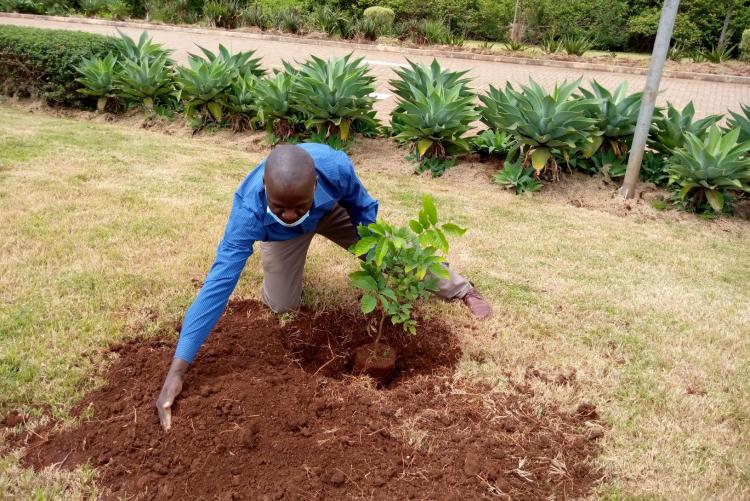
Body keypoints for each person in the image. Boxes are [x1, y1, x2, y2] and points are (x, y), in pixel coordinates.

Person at [156, 143, 492, 430]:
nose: (289, 215)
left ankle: (461, 289)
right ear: (266, 192)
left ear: (315, 184)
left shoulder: (335, 168)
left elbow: (362, 208)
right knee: (282, 304)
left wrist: (374, 253)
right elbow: (219, 284)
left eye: (297, 207)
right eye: (279, 206)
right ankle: (284, 258)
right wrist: (178, 369)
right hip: (277, 238)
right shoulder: (250, 212)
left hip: (331, 213)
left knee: (392, 255)